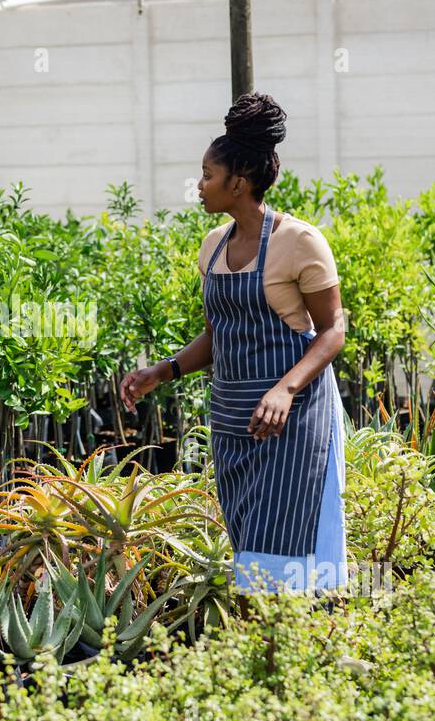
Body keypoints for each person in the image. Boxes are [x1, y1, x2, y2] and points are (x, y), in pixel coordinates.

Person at [119, 93, 347, 595]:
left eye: (206, 174)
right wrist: (165, 370)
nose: (199, 185)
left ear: (238, 183)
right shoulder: (213, 245)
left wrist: (285, 390)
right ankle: (268, 653)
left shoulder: (300, 241)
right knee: (248, 543)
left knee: (282, 541)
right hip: (233, 417)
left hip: (290, 416)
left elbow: (333, 330)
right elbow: (219, 334)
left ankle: (289, 644)